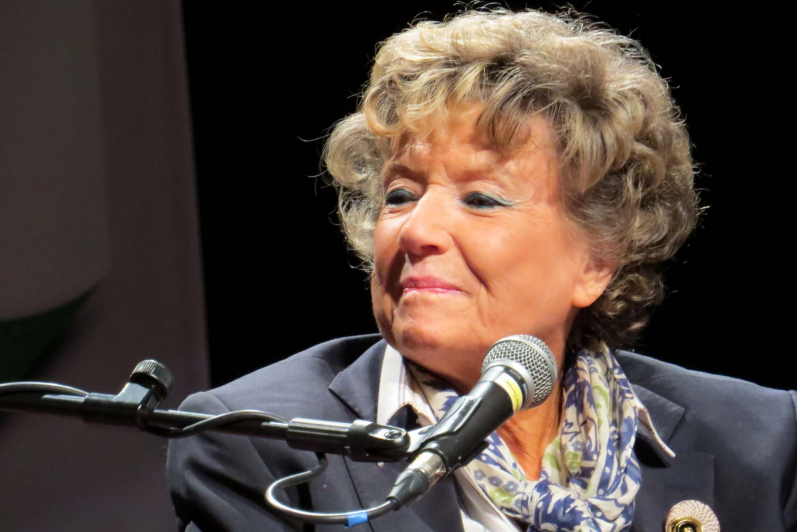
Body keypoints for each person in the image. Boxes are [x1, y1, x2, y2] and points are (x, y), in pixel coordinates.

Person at [167, 7, 797, 531]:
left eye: (481, 199)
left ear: (597, 259)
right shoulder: (259, 445)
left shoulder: (758, 441)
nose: (416, 231)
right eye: (400, 195)